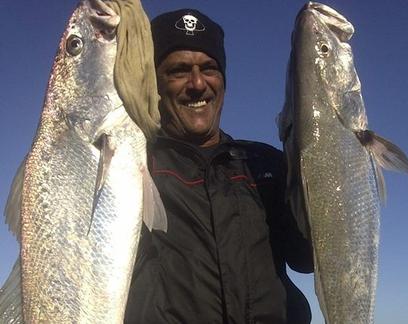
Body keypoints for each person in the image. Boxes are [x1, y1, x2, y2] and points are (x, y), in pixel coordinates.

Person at [124, 8, 314, 324]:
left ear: (223, 80)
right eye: (178, 71)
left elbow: (307, 258)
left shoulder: (265, 164)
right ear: (155, 83)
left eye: (209, 68)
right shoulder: (130, 168)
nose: (198, 83)